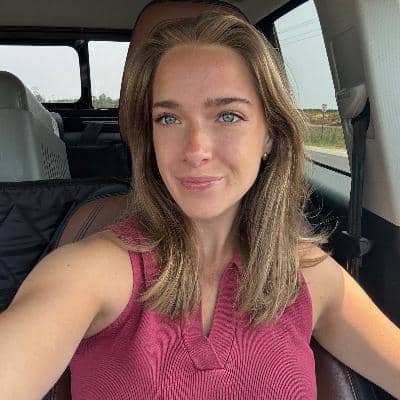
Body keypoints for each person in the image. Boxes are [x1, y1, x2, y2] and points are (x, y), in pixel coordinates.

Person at [1, 11, 399, 400]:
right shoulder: (90, 271)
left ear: (270, 135)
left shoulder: (308, 275)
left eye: (228, 116)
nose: (195, 150)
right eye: (169, 119)